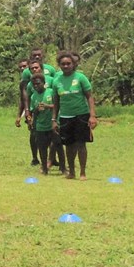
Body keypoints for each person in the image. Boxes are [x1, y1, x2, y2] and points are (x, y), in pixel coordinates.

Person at [52, 51, 97, 180]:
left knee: (81, 144)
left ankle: (82, 172)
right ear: (59, 65)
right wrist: (54, 119)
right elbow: (56, 102)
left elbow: (89, 97)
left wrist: (92, 115)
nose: (66, 66)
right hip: (65, 117)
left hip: (81, 115)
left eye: (68, 63)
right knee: (69, 145)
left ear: (73, 64)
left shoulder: (81, 78)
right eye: (63, 64)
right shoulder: (56, 81)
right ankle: (71, 171)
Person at [27, 73, 65, 175]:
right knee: (42, 148)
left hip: (52, 124)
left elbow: (58, 105)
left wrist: (47, 106)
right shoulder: (33, 96)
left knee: (58, 145)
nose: (36, 86)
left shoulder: (51, 92)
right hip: (40, 126)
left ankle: (63, 168)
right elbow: (32, 110)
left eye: (38, 83)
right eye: (34, 84)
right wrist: (36, 110)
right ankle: (44, 168)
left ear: (44, 83)